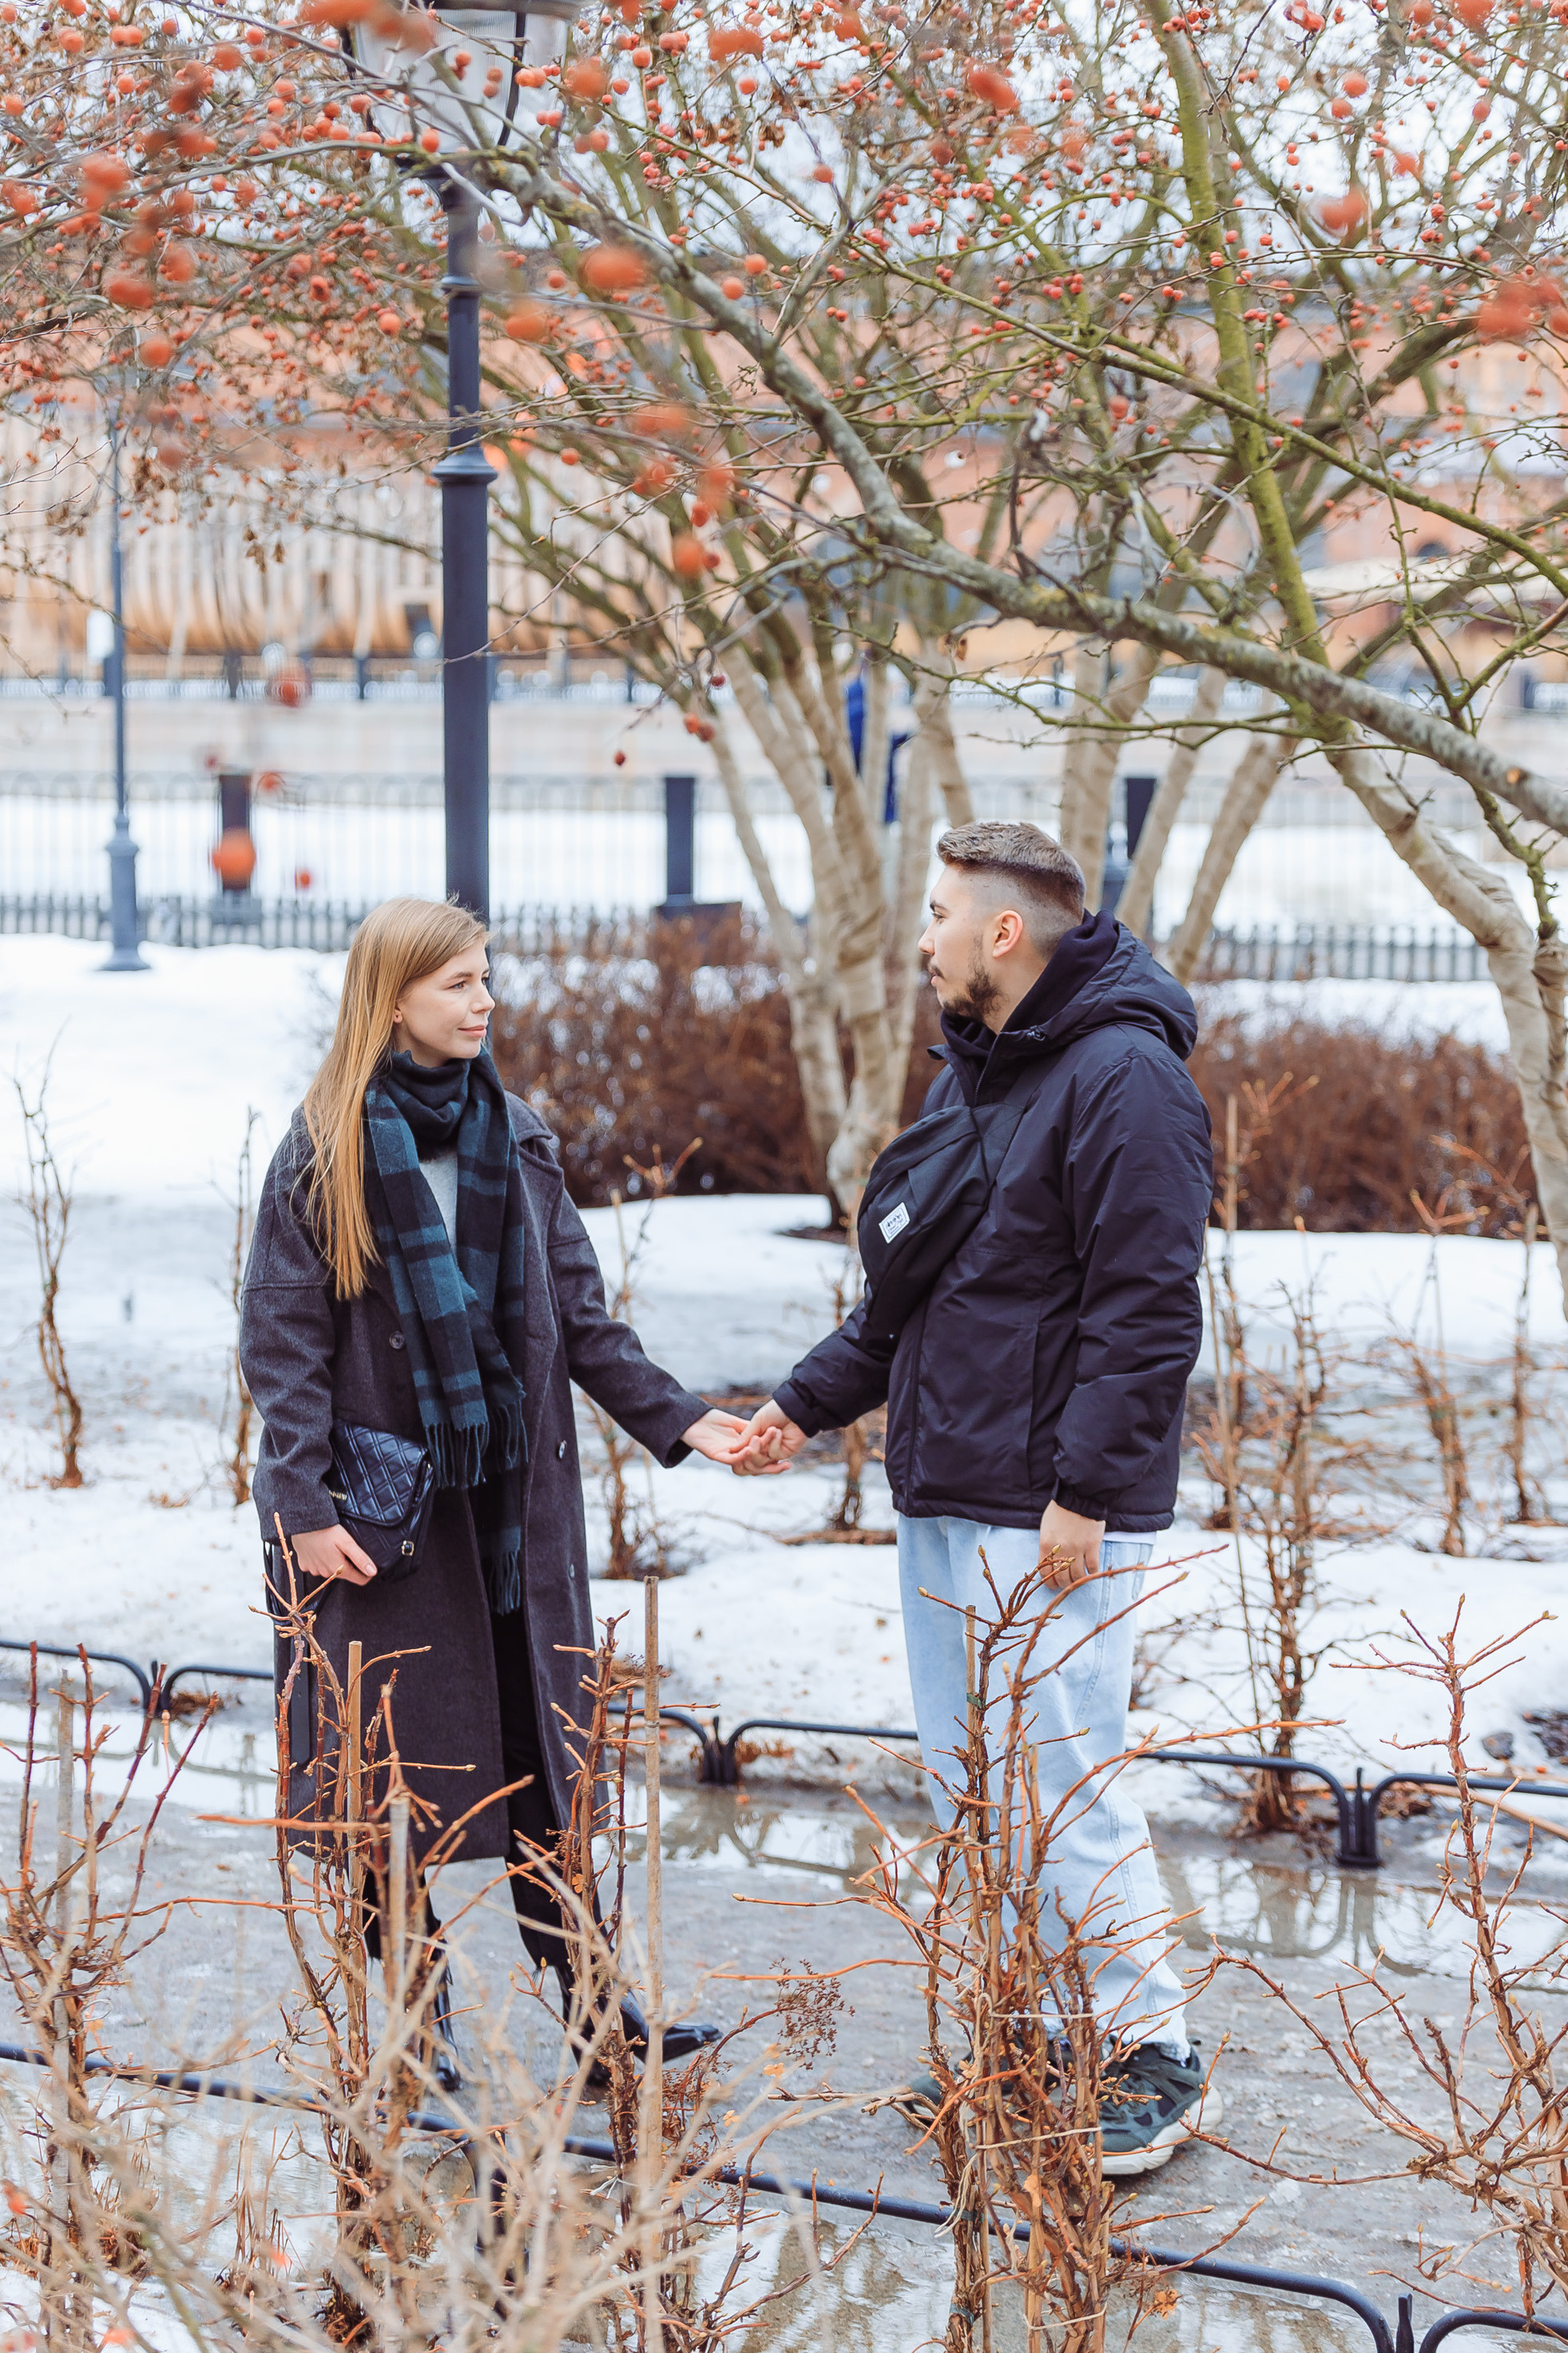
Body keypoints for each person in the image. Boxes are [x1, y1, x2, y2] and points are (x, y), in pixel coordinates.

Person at [733, 821, 1219, 2176]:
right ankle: (1037, 2036)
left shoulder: (1124, 1079)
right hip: (949, 1485)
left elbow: (1148, 1310)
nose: (925, 937)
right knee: (979, 1788)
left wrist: (1087, 1494)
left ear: (1007, 933)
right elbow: (914, 1296)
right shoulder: (985, 1074)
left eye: (942, 913)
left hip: (1047, 1512)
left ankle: (1156, 2055)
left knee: (1064, 1784)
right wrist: (801, 1403)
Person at [239, 896, 746, 2089]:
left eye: (487, 979)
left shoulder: (514, 1134)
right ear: (396, 994)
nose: (487, 1001)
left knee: (542, 1757)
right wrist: (303, 1508)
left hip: (509, 1517)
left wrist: (682, 1417)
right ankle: (418, 2023)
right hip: (383, 1523)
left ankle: (592, 2005)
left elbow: (578, 1316)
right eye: (462, 982)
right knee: (387, 1782)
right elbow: (284, 1347)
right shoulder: (322, 1149)